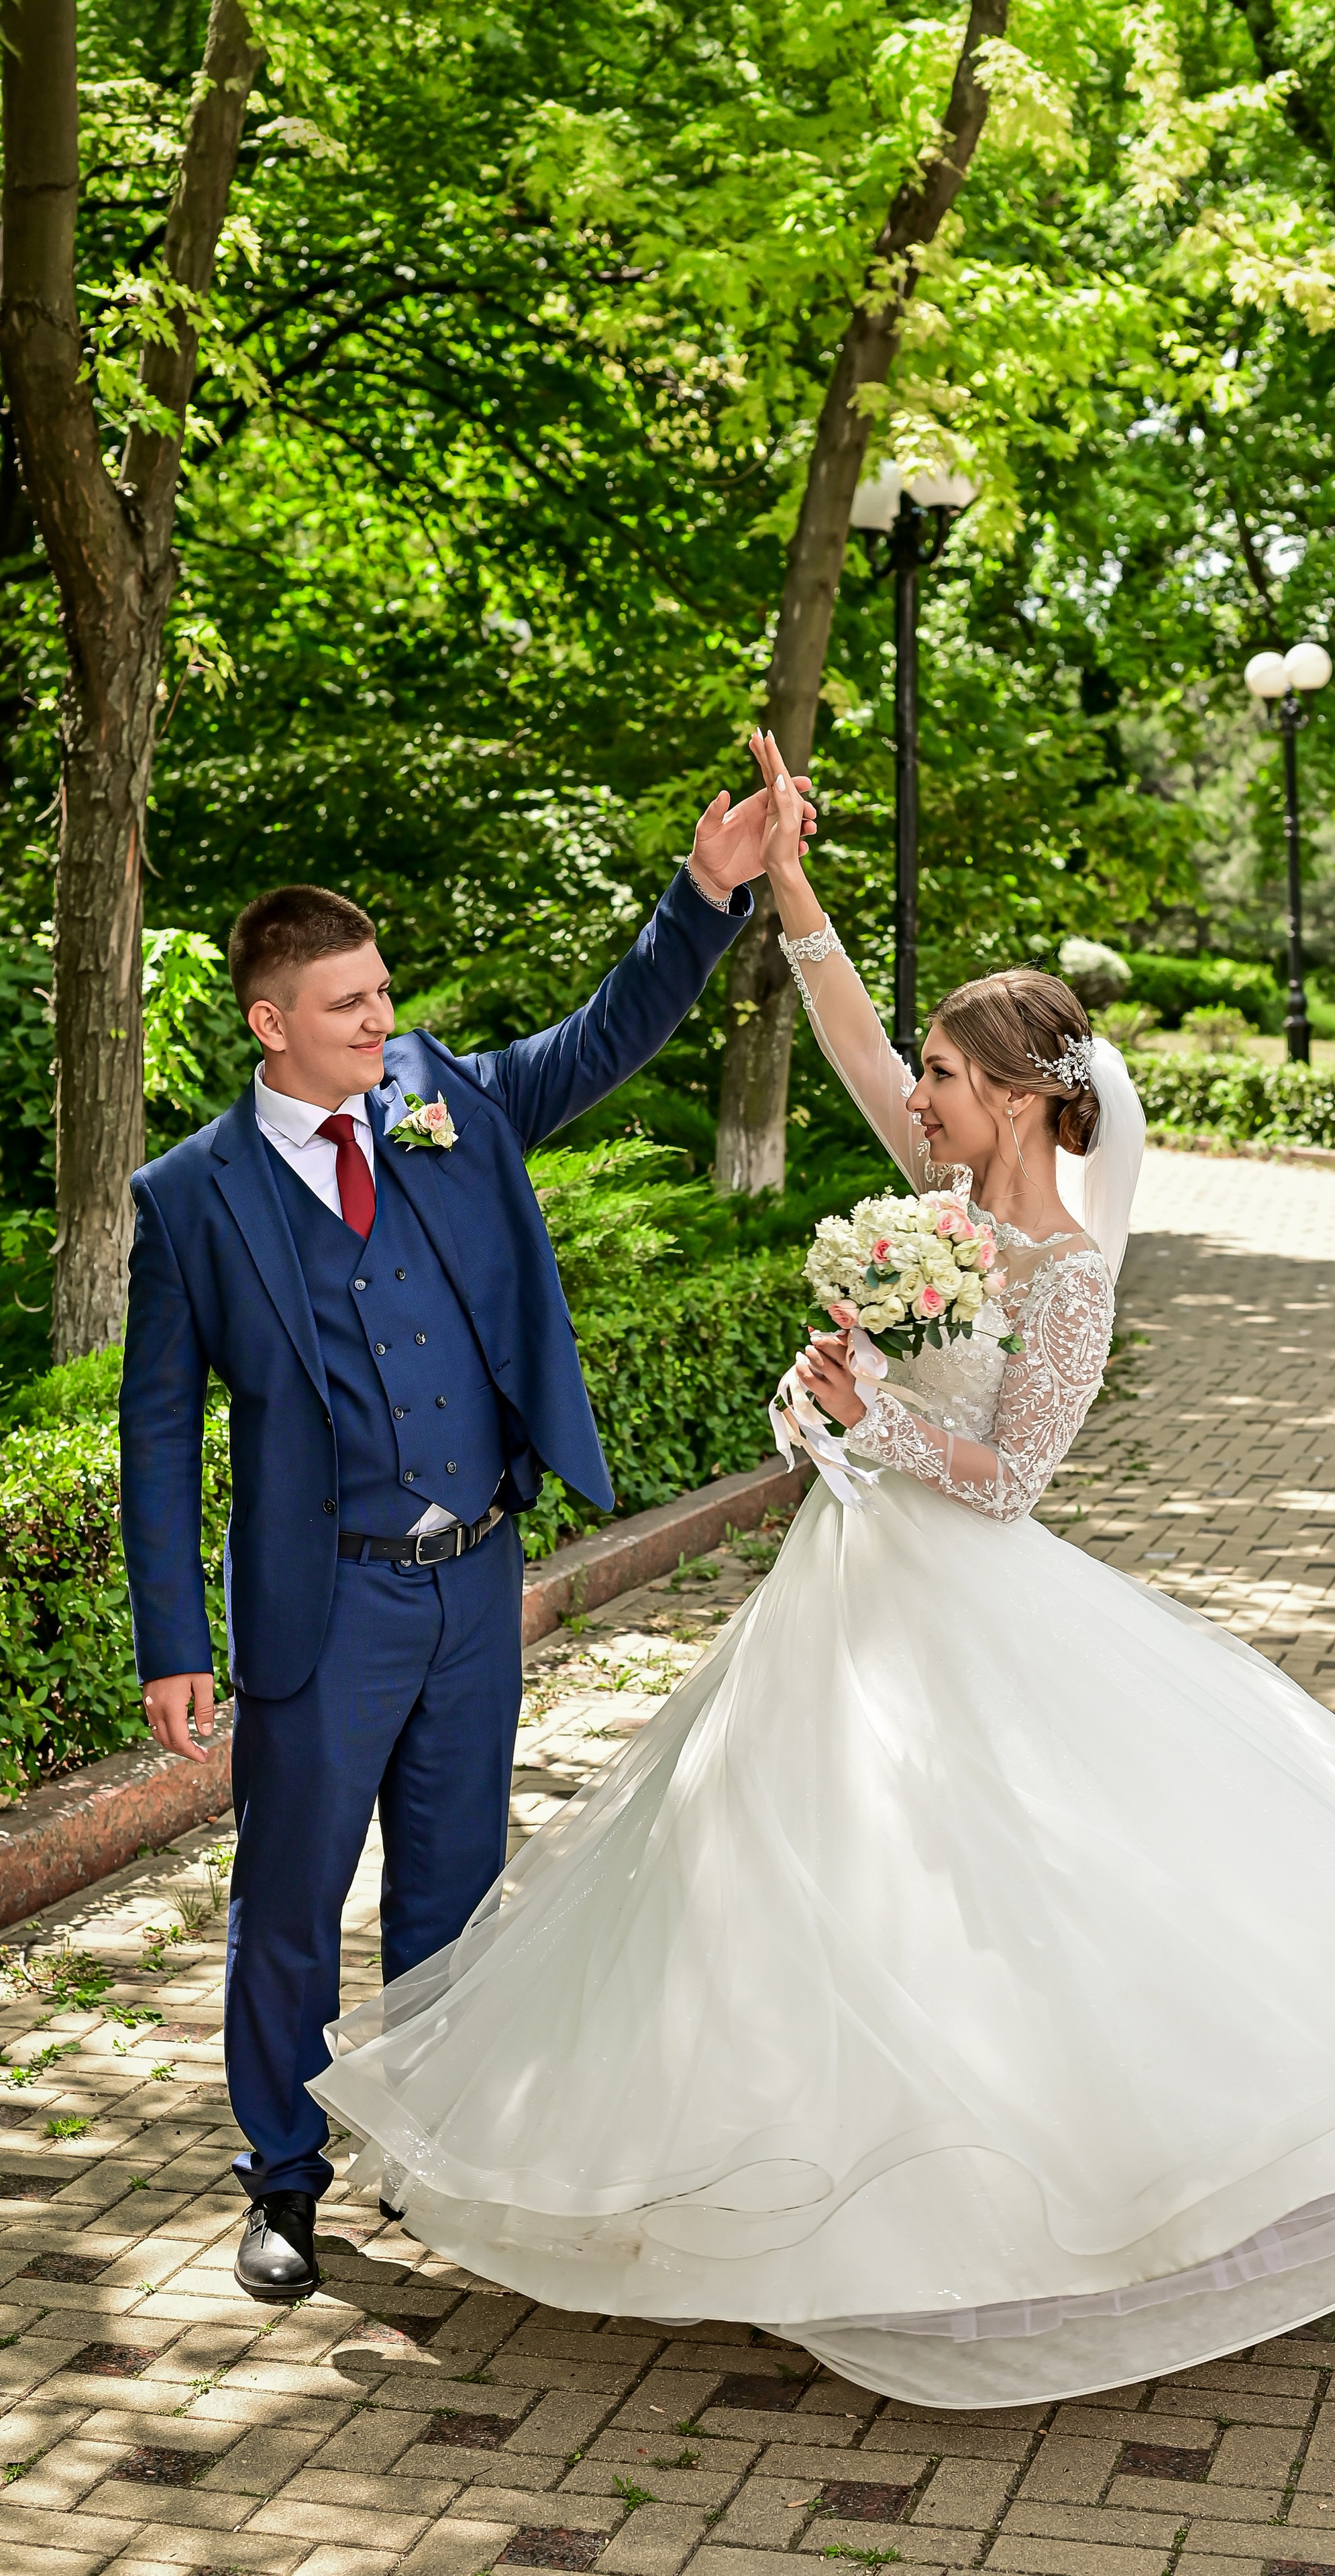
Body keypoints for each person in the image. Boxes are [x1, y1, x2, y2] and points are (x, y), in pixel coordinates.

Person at [311, 734, 1335, 2408]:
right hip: (843, 1591)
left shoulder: (1063, 1268)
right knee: (766, 1881)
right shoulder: (933, 1205)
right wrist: (782, 878)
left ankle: (1021, 2212)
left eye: (947, 1079)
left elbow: (1013, 1482)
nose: (919, 1099)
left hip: (962, 1604)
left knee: (990, 1907)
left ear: (1019, 1095)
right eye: (928, 1080)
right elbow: (846, 1028)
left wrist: (868, 1412)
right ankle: (760, 2181)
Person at [118, 763, 815, 2304]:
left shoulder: (440, 1095)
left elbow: (598, 1041)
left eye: (381, 997)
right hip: (325, 1600)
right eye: (348, 1005)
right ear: (270, 1023)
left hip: (473, 1576)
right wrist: (177, 1642)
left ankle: (433, 2161)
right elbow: (158, 1437)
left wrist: (703, 901)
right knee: (291, 1906)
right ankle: (283, 2183)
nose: (379, 1023)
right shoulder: (191, 1200)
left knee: (451, 1890)